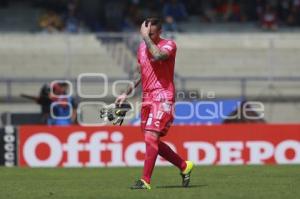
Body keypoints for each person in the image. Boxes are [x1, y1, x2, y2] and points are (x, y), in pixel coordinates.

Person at [115, 17, 194, 190]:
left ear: (160, 32)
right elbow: (139, 74)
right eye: (146, 33)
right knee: (151, 140)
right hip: (147, 97)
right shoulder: (142, 47)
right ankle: (183, 166)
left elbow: (158, 55)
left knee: (151, 137)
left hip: (163, 96)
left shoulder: (169, 45)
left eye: (151, 33)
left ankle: (145, 181)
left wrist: (145, 37)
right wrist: (125, 93)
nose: (148, 36)